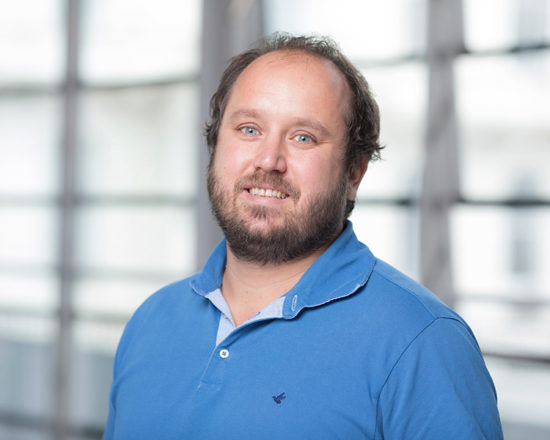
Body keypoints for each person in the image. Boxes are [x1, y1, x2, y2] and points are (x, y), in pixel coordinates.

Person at [103, 34, 503, 439]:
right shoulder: (151, 322)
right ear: (215, 146)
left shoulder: (424, 344)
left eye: (303, 137)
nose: (268, 160)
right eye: (248, 128)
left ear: (353, 174)